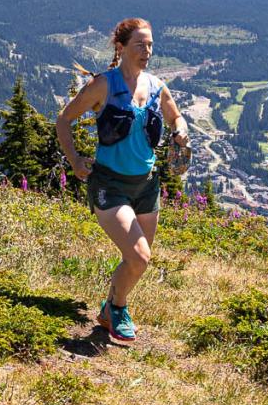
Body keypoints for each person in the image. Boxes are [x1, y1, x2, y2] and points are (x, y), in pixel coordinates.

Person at [56, 18, 190, 346]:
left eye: (150, 45)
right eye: (139, 45)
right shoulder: (105, 85)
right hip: (109, 184)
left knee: (137, 260)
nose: (147, 51)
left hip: (146, 185)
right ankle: (117, 308)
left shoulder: (157, 86)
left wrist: (181, 129)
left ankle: (107, 310)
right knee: (140, 257)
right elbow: (64, 120)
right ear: (121, 47)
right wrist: (74, 160)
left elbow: (175, 115)